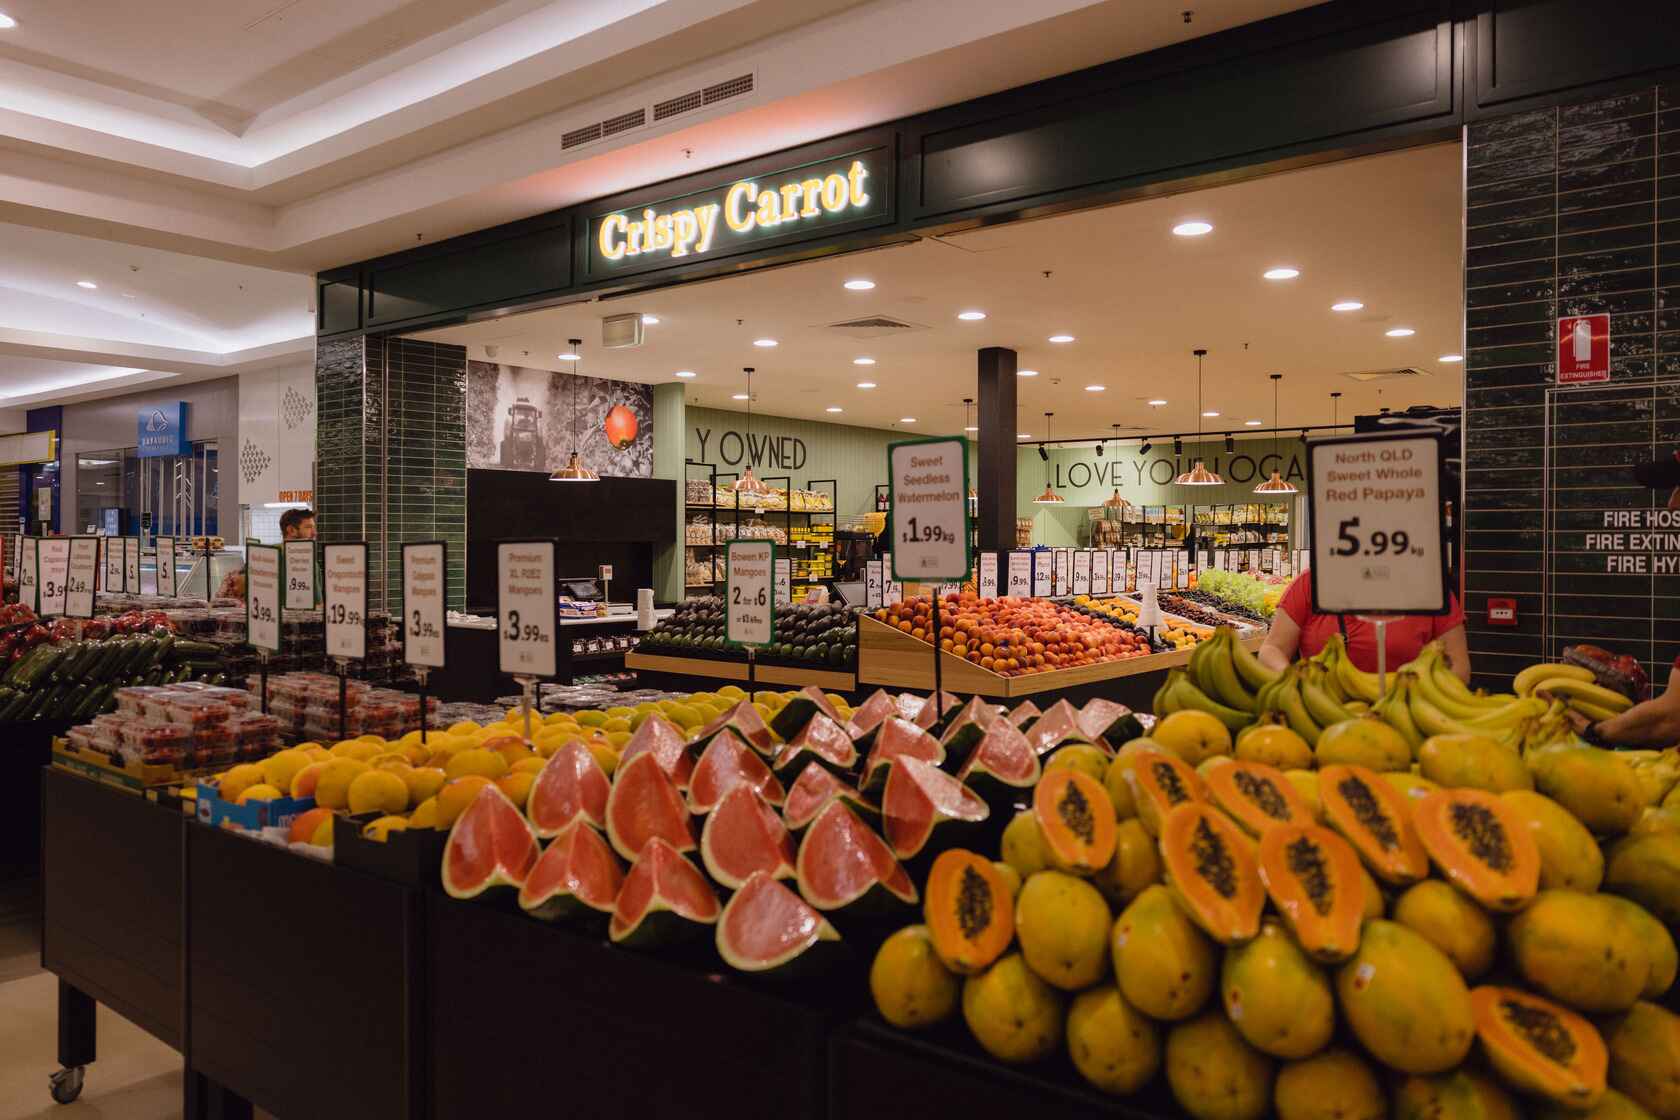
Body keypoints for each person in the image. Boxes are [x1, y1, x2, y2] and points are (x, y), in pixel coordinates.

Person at [1257, 571, 1470, 681]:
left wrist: (1413, 691)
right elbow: (1272, 649)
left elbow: (1459, 669)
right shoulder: (1310, 583)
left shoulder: (1430, 589)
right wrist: (1291, 677)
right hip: (1320, 713)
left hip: (1408, 715)